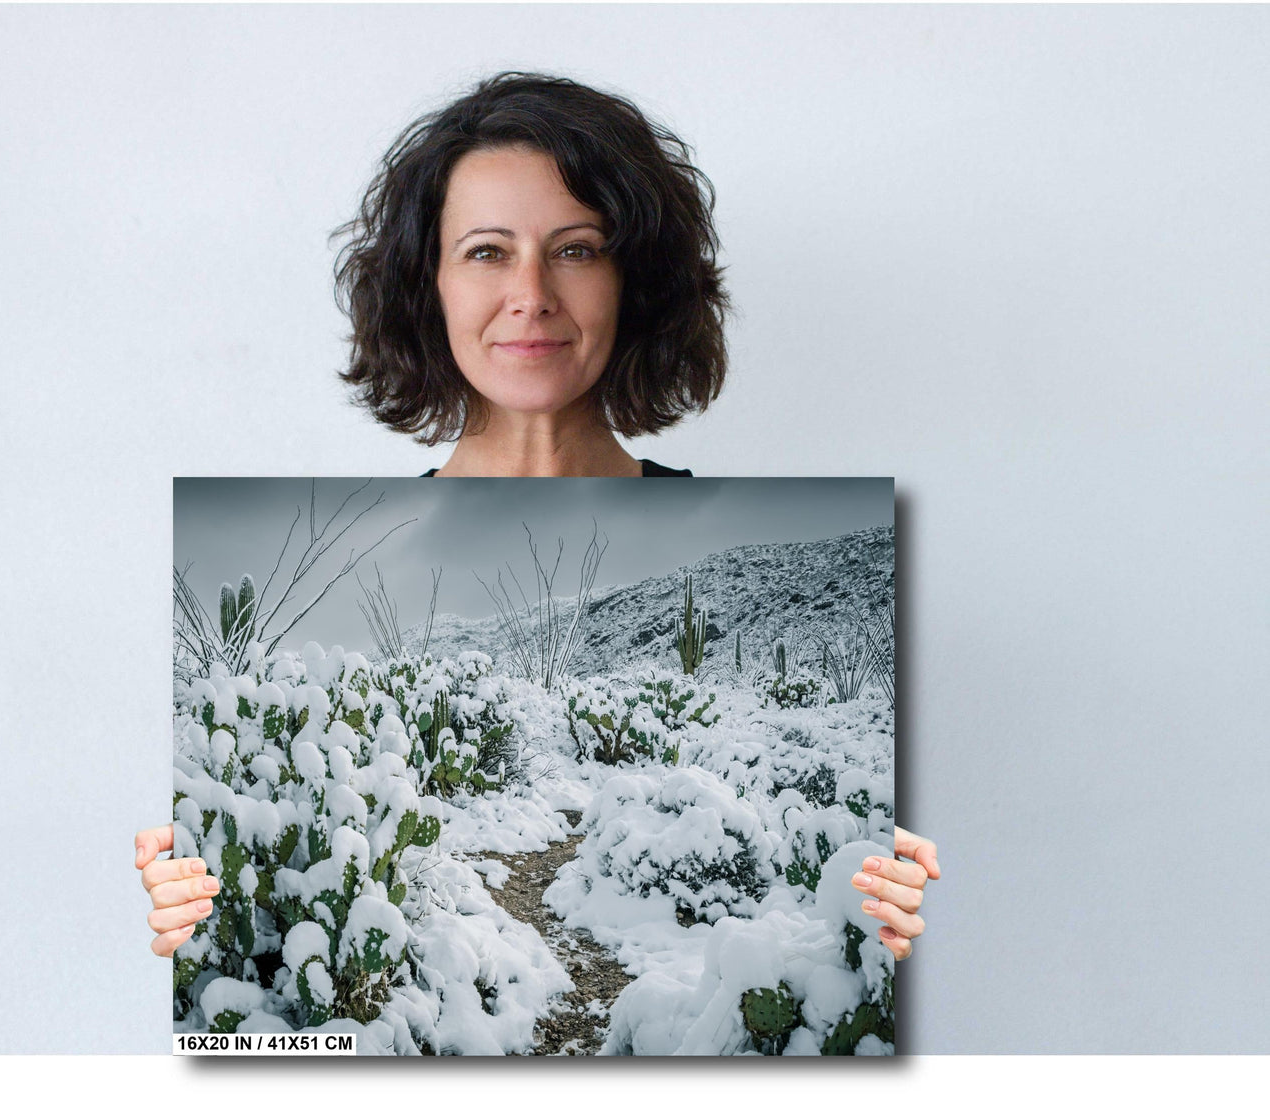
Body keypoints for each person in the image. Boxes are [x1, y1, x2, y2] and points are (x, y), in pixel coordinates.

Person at [139, 72, 939, 968]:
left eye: (576, 249)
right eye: (486, 251)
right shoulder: (356, 540)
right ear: (427, 283)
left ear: (634, 281)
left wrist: (901, 914)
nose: (531, 294)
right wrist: (176, 911)